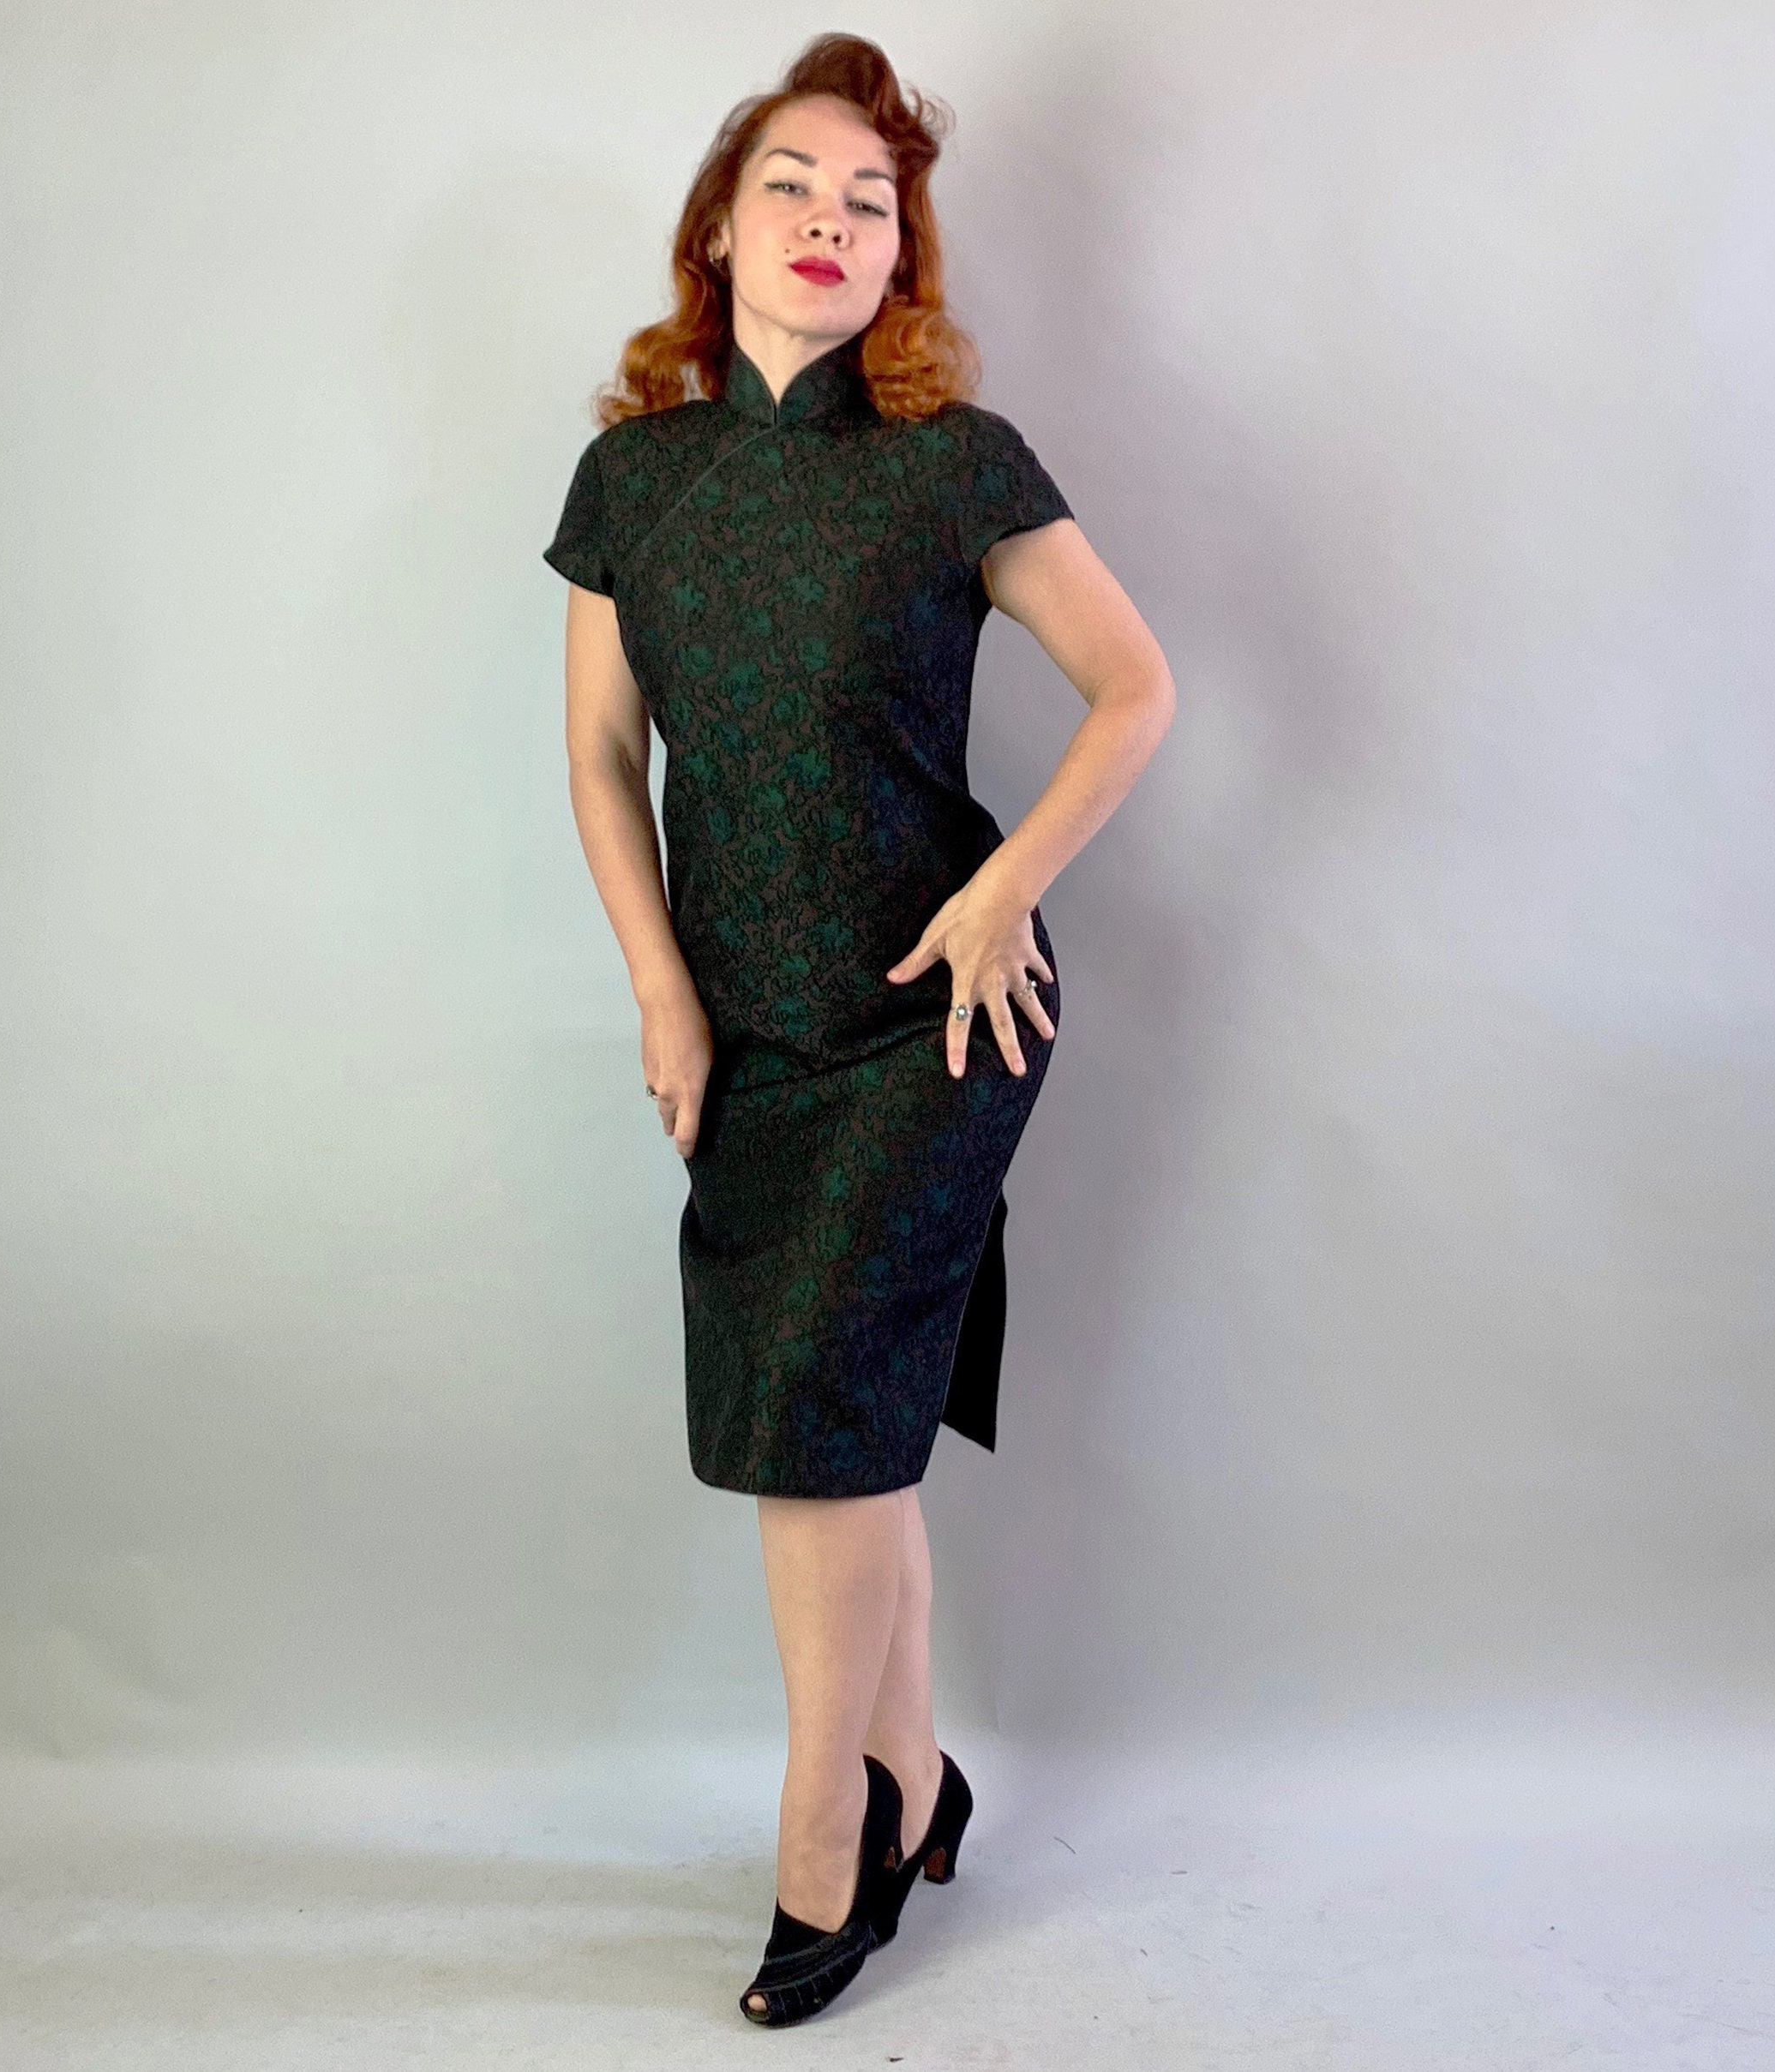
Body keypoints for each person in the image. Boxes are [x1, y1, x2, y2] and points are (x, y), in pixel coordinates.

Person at [546, 33, 1173, 2027]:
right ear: (719, 231)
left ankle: (829, 1831)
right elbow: (602, 755)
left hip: (935, 1020)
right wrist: (662, 989)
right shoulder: (634, 480)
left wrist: (1005, 891)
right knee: (832, 1431)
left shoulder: (954, 463)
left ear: (904, 256)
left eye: (872, 203)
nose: (832, 222)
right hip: (745, 1028)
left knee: (824, 1427)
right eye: (795, 187)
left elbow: (1137, 688)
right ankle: (918, 1775)